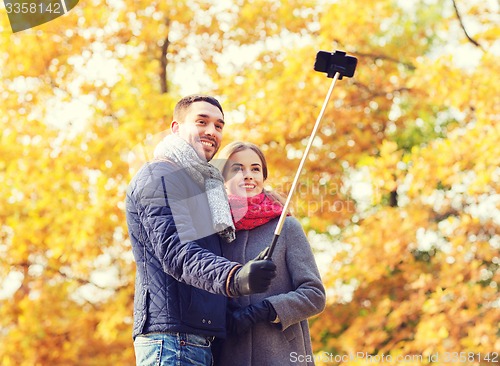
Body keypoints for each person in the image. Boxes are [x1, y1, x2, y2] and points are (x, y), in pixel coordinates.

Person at [125, 95, 277, 366]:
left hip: (198, 340)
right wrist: (235, 276)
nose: (211, 131)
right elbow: (177, 252)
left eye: (219, 126)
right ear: (176, 127)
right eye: (201, 122)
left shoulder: (205, 187)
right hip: (171, 342)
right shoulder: (159, 176)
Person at [212, 141, 326, 366]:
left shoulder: (287, 227)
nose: (248, 175)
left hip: (283, 356)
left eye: (255, 169)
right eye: (237, 168)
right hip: (229, 355)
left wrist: (265, 310)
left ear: (263, 177)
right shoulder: (214, 230)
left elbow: (315, 295)